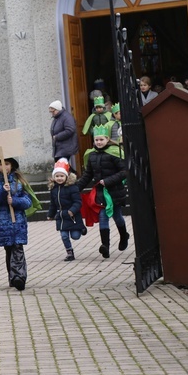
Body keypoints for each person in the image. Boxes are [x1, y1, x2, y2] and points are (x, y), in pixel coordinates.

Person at [0, 157, 40, 291]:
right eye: (1, 164)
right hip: (4, 224)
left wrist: (15, 201)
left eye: (7, 164)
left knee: (18, 248)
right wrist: (1, 192)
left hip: (18, 223)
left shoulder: (18, 183)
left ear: (11, 166)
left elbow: (27, 201)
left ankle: (19, 277)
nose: (4, 167)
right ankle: (13, 277)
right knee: (9, 250)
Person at [76, 124, 128, 258]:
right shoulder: (92, 156)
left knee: (117, 216)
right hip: (100, 193)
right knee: (103, 216)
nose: (98, 142)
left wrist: (109, 181)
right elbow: (88, 175)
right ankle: (105, 246)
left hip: (114, 191)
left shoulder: (114, 153)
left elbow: (124, 172)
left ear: (107, 139)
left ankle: (124, 235)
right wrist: (76, 188)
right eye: (96, 140)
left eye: (101, 140)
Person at [47, 158, 86, 262]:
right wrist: (50, 214)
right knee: (64, 236)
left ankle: (81, 228)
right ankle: (69, 252)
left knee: (75, 236)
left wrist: (72, 210)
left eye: (61, 176)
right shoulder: (53, 189)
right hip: (61, 216)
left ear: (66, 176)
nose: (59, 178)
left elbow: (78, 201)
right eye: (57, 176)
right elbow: (52, 204)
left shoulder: (72, 187)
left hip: (72, 215)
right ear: (54, 177)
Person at [49, 100, 79, 169]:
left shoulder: (66, 117)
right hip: (61, 147)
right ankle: (73, 177)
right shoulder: (58, 117)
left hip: (65, 147)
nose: (52, 113)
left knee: (61, 166)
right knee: (62, 166)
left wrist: (57, 137)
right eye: (50, 112)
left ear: (57, 109)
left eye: (53, 111)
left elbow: (70, 130)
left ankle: (74, 177)